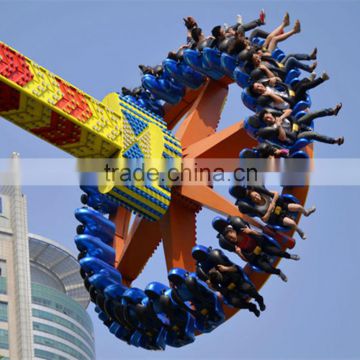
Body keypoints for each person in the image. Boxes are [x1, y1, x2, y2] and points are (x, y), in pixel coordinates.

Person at [213, 216, 299, 281]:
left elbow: (260, 236)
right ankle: (278, 272)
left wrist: (251, 231)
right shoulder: (236, 246)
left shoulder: (244, 231)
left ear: (233, 231)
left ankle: (290, 256)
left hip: (261, 245)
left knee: (276, 251)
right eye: (229, 239)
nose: (231, 239)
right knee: (266, 268)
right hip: (254, 255)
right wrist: (239, 253)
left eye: (231, 236)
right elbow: (246, 259)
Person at [193, 247, 265, 316]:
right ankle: (252, 307)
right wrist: (211, 284)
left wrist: (226, 269)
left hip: (235, 278)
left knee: (248, 288)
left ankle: (259, 299)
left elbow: (236, 268)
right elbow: (214, 288)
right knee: (235, 302)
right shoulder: (201, 270)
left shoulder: (216, 256)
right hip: (225, 286)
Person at [230, 185, 316, 239]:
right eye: (254, 198)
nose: (257, 197)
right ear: (252, 200)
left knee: (298, 207)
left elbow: (276, 193)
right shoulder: (256, 208)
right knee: (292, 223)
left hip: (282, 206)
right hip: (277, 217)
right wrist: (270, 209)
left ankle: (306, 212)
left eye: (256, 195)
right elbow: (264, 218)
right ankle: (300, 232)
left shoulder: (263, 193)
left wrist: (273, 202)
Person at [256, 104, 344, 146]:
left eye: (268, 116)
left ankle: (332, 111)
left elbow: (289, 111)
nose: (268, 119)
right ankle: (334, 141)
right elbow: (282, 138)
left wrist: (281, 117)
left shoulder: (277, 115)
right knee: (313, 135)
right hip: (295, 135)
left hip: (296, 124)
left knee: (311, 114)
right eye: (266, 119)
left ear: (270, 114)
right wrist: (278, 126)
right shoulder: (272, 128)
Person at [248, 72, 330, 110]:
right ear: (257, 93)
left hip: (287, 93)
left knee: (301, 81)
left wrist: (273, 79)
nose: (259, 88)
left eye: (258, 85)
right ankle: (322, 79)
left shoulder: (267, 86)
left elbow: (279, 80)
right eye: (257, 89)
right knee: (302, 87)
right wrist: (270, 94)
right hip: (289, 103)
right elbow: (280, 101)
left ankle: (309, 80)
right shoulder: (265, 97)